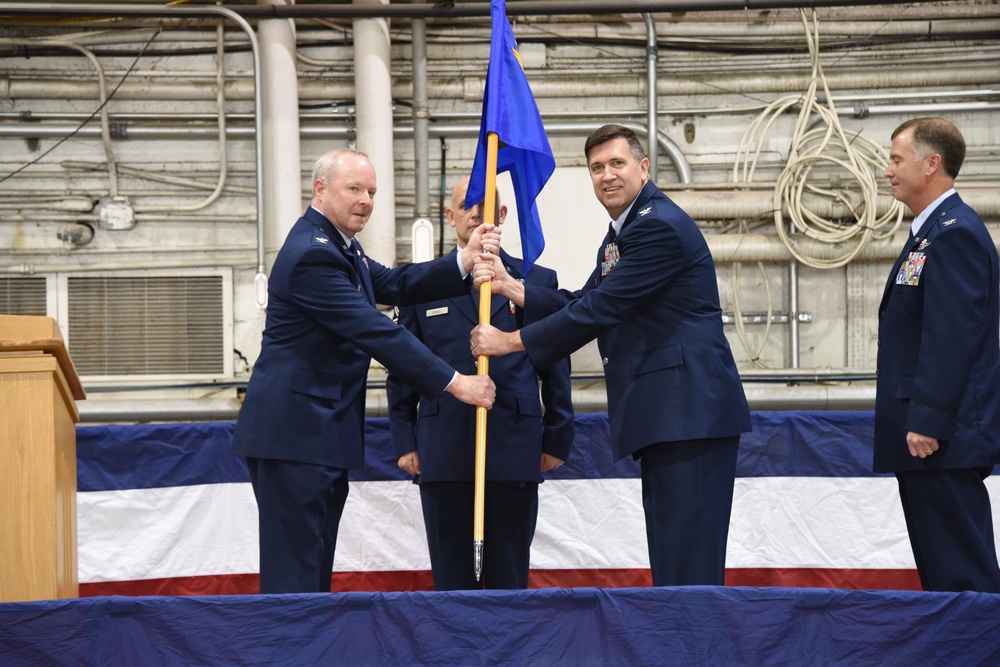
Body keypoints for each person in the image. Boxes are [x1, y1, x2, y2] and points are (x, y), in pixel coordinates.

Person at [471, 124, 751, 587]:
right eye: (596, 167)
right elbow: (585, 300)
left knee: (689, 567)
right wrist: (512, 286)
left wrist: (508, 342)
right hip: (670, 419)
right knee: (674, 563)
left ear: (643, 169)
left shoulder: (657, 227)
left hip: (690, 416)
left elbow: (600, 311)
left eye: (617, 164)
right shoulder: (626, 231)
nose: (606, 176)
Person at [232, 147, 498, 594]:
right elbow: (376, 331)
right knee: (294, 576)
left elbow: (395, 283)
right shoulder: (312, 255)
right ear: (321, 189)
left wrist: (463, 259)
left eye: (372, 192)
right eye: (354, 189)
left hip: (317, 433)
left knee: (312, 569)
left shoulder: (340, 246)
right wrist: (456, 383)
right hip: (294, 434)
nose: (366, 201)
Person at [386, 176, 574, 590]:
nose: (476, 211)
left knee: (509, 579)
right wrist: (404, 439)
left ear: (502, 215)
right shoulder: (421, 284)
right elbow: (403, 366)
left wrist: (557, 438)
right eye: (466, 205)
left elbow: (556, 363)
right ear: (450, 216)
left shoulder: (536, 281)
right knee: (453, 584)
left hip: (514, 445)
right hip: (444, 448)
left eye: (486, 204)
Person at [875, 117, 1000, 592]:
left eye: (895, 159)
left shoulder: (956, 233)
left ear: (932, 164)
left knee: (961, 574)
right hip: (930, 437)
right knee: (942, 573)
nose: (887, 170)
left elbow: (952, 335)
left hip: (942, 437)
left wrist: (928, 418)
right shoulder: (930, 233)